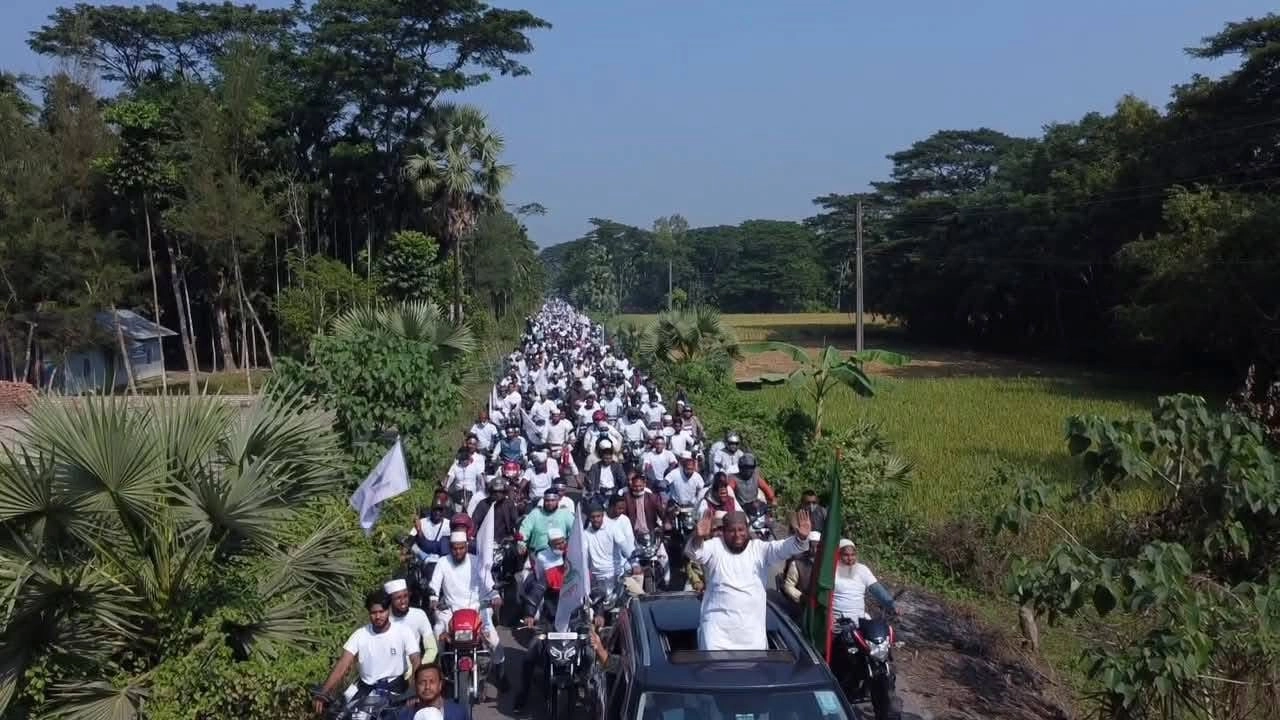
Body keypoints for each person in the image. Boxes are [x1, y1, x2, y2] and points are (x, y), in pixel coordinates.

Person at [687, 509, 811, 651]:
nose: (737, 535)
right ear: (724, 532)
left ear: (747, 529)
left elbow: (783, 548)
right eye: (731, 531)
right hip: (717, 636)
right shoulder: (715, 546)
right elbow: (694, 552)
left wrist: (800, 538)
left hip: (752, 636)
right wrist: (698, 537)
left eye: (741, 529)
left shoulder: (759, 549)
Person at [315, 589, 420, 714]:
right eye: (373, 613)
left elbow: (416, 660)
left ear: (388, 610)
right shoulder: (360, 634)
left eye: (381, 612)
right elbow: (343, 663)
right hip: (366, 693)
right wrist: (324, 692)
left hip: (396, 691)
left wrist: (414, 690)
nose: (378, 616)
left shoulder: (403, 631)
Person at [428, 531, 505, 681]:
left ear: (467, 546)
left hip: (477, 608)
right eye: (454, 548)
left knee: (494, 640)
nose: (458, 552)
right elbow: (434, 585)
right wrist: (433, 599)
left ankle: (500, 672)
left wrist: (495, 596)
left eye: (461, 548)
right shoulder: (443, 562)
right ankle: (439, 669)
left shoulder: (477, 561)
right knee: (437, 632)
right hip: (451, 609)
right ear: (450, 547)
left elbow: (488, 583)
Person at [832, 539, 897, 621]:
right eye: (846, 555)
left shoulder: (862, 569)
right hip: (837, 620)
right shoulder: (832, 571)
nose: (850, 558)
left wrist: (893, 605)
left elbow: (876, 589)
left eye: (853, 555)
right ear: (839, 555)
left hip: (860, 618)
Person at [582, 498, 633, 591]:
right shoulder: (585, 534)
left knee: (638, 595)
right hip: (597, 578)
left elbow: (625, 546)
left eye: (598, 516)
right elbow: (584, 555)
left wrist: (634, 562)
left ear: (603, 516)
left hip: (616, 574)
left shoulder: (613, 528)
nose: (596, 519)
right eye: (593, 517)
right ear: (589, 518)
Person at [384, 578, 438, 664]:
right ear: (390, 600)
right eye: (398, 598)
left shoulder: (419, 614)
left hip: (415, 666)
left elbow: (432, 649)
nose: (403, 601)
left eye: (405, 596)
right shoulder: (384, 620)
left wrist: (419, 668)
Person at [396, 664, 466, 720]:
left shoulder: (459, 713)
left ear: (440, 684)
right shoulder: (405, 716)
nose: (427, 687)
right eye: (422, 682)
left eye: (432, 682)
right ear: (415, 686)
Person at [518, 488, 575, 554]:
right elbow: (525, 529)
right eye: (547, 500)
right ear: (544, 501)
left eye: (553, 500)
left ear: (558, 500)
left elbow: (574, 531)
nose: (550, 503)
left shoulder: (565, 513)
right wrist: (521, 543)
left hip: (559, 553)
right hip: (537, 553)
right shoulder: (535, 513)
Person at [779, 532, 821, 619]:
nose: (815, 550)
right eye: (812, 546)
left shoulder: (825, 563)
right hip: (801, 605)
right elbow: (788, 586)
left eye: (817, 547)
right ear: (808, 545)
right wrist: (802, 597)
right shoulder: (797, 562)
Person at [470, 476, 520, 542]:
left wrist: (515, 535)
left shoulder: (509, 504)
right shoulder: (483, 504)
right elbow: (474, 522)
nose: (497, 494)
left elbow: (516, 521)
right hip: (485, 540)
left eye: (500, 491)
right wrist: (471, 536)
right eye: (495, 491)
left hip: (505, 540)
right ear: (490, 492)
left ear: (504, 492)